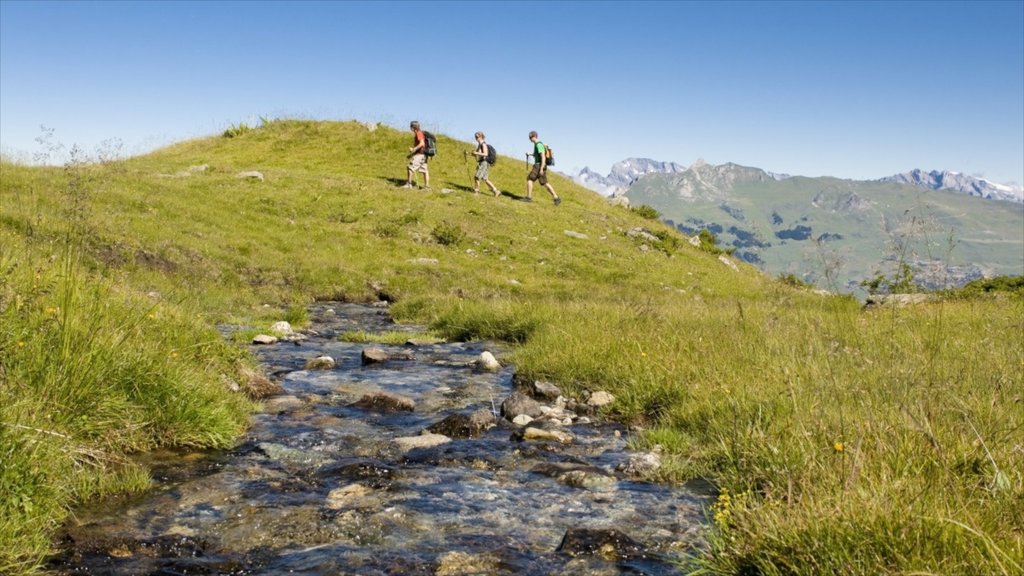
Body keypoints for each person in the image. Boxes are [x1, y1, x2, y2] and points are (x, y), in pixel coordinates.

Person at [525, 131, 560, 205]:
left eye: (530, 137)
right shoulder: (536, 145)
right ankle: (556, 198)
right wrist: (529, 153)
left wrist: (541, 168)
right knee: (545, 183)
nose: (530, 139)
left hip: (539, 165)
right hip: (541, 165)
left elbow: (543, 156)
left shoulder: (538, 145)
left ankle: (528, 198)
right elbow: (536, 154)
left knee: (530, 179)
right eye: (529, 137)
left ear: (535, 136)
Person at [470, 131, 500, 196]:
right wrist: (470, 153)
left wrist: (476, 153)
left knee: (477, 177)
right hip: (483, 162)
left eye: (477, 137)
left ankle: (476, 192)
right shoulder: (479, 144)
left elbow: (485, 154)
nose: (476, 138)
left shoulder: (483, 144)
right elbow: (477, 154)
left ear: (481, 137)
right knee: (485, 179)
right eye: (475, 137)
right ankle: (496, 191)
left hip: (484, 162)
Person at [403, 121, 430, 189]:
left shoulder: (419, 133)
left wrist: (413, 149)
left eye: (410, 126)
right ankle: (427, 187)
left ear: (413, 127)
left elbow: (422, 144)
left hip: (420, 154)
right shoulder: (420, 133)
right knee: (425, 170)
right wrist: (411, 154)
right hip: (424, 154)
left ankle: (409, 184)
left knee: (410, 167)